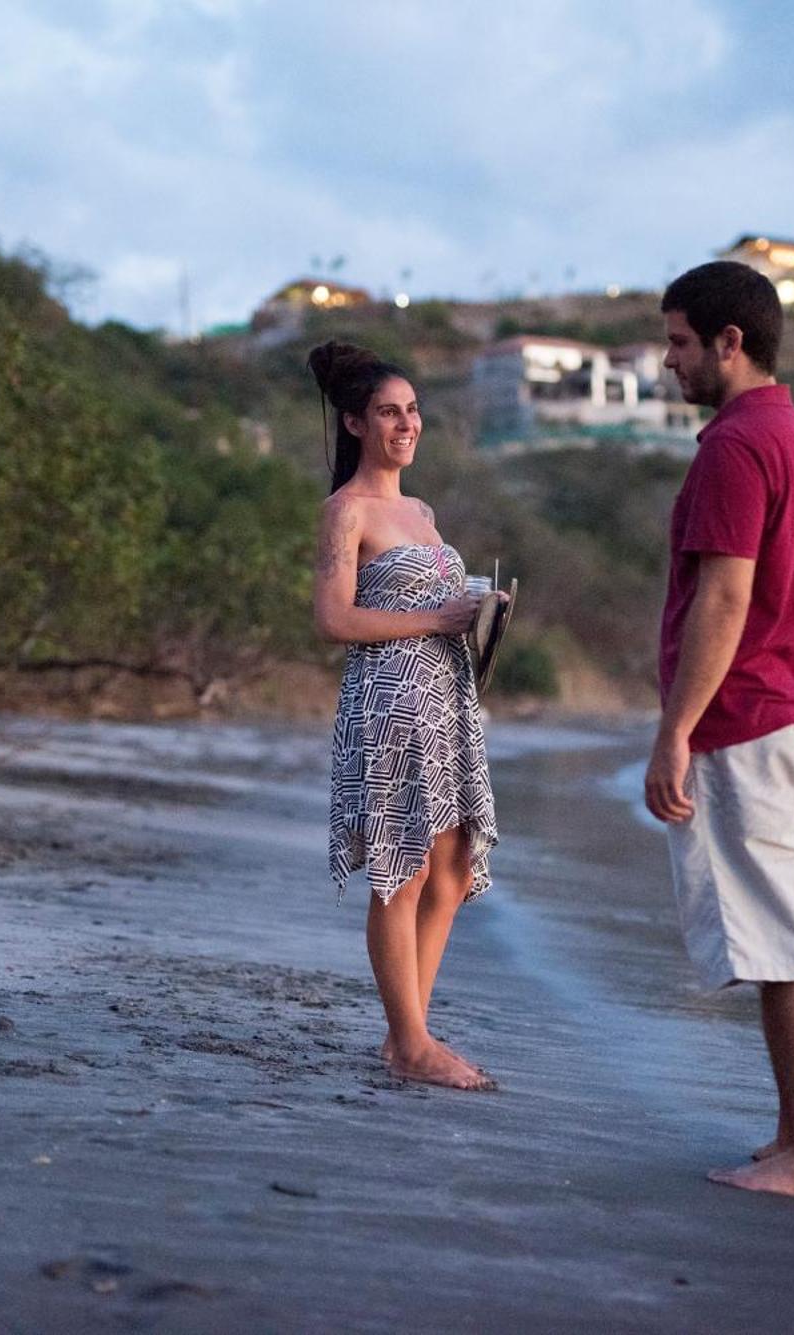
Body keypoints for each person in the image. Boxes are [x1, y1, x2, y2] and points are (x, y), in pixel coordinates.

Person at [644, 261, 794, 1201]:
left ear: (734, 342)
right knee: (788, 944)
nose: (670, 360)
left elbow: (725, 598)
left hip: (749, 719)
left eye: (682, 342)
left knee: (788, 948)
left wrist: (674, 728)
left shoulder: (735, 446)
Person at [310, 340, 500, 1092]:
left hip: (448, 698)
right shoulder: (345, 511)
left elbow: (440, 610)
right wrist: (437, 618)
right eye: (389, 412)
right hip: (388, 699)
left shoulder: (421, 510)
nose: (406, 423)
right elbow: (333, 618)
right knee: (404, 867)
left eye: (414, 409)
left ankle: (407, 1032)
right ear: (355, 424)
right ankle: (412, 1040)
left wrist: (483, 620)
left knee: (451, 869)